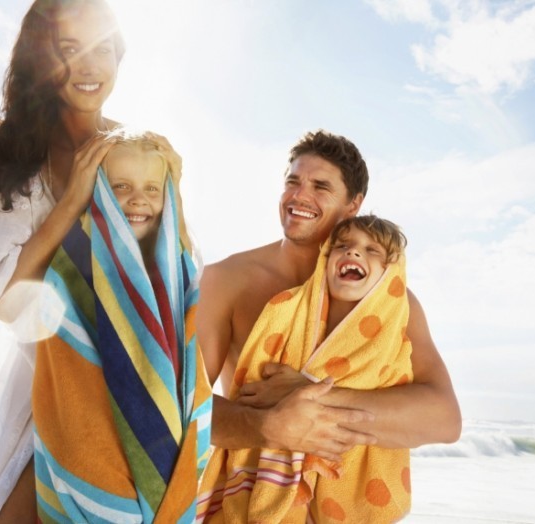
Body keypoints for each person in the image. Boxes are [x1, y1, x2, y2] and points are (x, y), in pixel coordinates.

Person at [0, 2, 184, 522]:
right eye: (68, 50)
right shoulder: (16, 159)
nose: (88, 66)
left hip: (133, 369)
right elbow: (8, 303)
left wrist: (173, 193)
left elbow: (170, 272)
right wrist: (76, 195)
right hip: (50, 380)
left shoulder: (135, 150)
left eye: (102, 48)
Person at [196, 130, 460, 473]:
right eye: (293, 182)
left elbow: (444, 419)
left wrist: (308, 394)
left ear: (353, 204)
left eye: (320, 187)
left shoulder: (389, 301)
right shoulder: (225, 280)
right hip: (250, 498)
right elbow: (179, 405)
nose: (299, 195)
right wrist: (266, 427)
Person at [31, 128, 211, 523]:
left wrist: (175, 188)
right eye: (121, 186)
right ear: (98, 191)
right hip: (92, 436)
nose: (138, 199)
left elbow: (182, 248)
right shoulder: (76, 260)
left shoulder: (171, 270)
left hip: (165, 436)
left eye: (152, 188)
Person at [198, 215, 414, 522]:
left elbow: (394, 391)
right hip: (265, 461)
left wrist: (306, 389)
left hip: (341, 484)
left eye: (372, 250)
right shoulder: (284, 310)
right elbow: (251, 384)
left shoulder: (390, 337)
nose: (353, 253)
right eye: (343, 245)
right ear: (325, 259)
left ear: (390, 274)